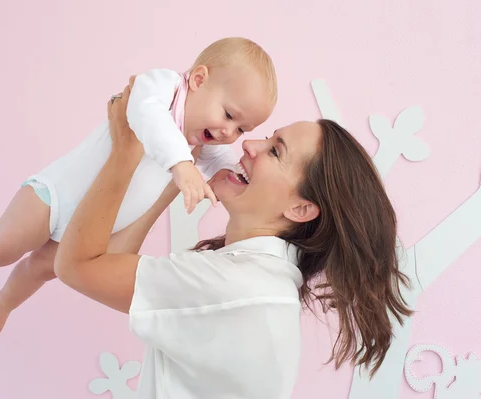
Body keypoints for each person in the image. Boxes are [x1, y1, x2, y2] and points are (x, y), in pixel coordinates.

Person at [54, 78, 412, 398]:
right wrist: (178, 171)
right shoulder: (260, 282)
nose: (249, 145)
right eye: (269, 136)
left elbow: (76, 266)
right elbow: (111, 261)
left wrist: (123, 153)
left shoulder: (233, 285)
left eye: (275, 150)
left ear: (301, 209)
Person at [0, 37, 278, 349]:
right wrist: (181, 165)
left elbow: (221, 162)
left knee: (41, 270)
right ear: (198, 79)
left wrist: (233, 175)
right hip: (55, 197)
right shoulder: (165, 88)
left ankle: (3, 302)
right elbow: (142, 112)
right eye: (229, 115)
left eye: (241, 128)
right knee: (0, 246)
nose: (230, 132)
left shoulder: (201, 139)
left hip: (89, 226)